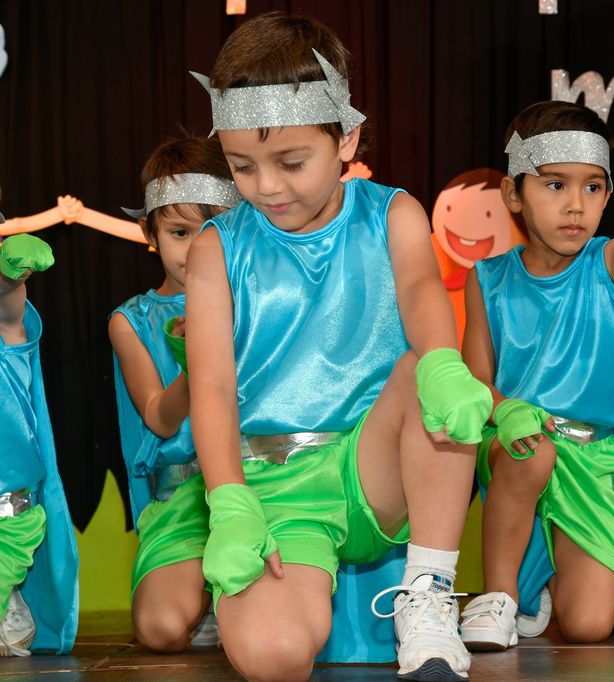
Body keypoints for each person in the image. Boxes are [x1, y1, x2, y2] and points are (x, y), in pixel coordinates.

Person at [186, 13, 491, 682]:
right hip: (277, 492)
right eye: (241, 166)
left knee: (427, 370)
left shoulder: (392, 212)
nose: (267, 186)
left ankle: (430, 593)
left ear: (346, 138)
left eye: (291, 162)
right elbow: (210, 386)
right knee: (272, 657)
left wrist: (444, 363)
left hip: (371, 465)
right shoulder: (217, 249)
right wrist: (229, 502)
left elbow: (421, 289)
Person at [457, 100, 614, 649]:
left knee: (590, 627)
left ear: (608, 195)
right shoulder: (487, 278)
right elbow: (477, 380)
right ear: (513, 193)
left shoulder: (610, 264)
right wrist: (507, 410)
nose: (576, 205)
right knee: (533, 452)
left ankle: (545, 582)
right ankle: (499, 595)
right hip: (518, 445)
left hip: (592, 459)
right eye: (555, 185)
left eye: (593, 187)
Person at [110, 136, 241, 652]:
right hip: (183, 500)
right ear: (150, 233)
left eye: (214, 229)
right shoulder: (132, 321)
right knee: (160, 630)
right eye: (180, 232)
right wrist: (194, 359)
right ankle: (206, 597)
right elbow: (160, 420)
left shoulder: (261, 302)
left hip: (260, 485)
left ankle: (234, 598)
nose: (196, 248)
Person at [0, 231, 78, 656]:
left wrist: (9, 274)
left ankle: (10, 593)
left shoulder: (5, 322)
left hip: (8, 514)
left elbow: (7, 303)